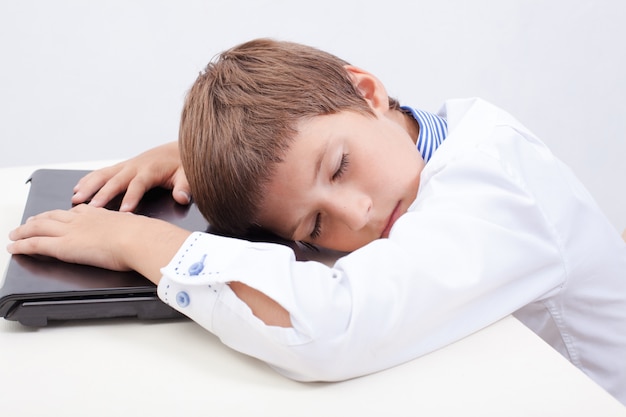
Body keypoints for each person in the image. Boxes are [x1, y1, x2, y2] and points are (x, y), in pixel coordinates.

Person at [7, 39, 626, 404]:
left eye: (339, 167)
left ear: (367, 89)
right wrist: (198, 157)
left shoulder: (497, 189)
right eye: (312, 228)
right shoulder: (412, 140)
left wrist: (140, 240)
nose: (358, 215)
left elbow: (332, 327)